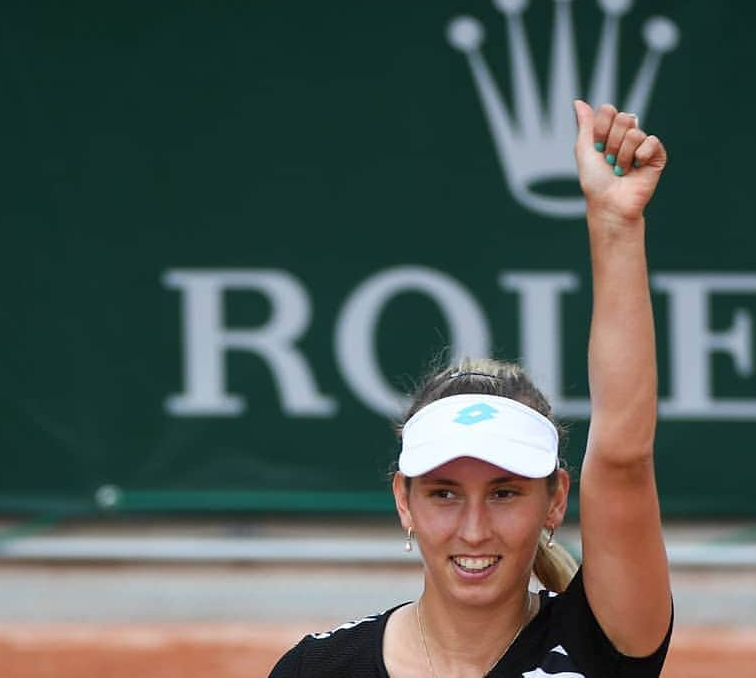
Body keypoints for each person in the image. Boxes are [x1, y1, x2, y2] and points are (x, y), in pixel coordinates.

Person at [269, 101, 673, 677]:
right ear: (403, 500)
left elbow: (624, 458)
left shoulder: (598, 641)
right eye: (444, 493)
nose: (475, 529)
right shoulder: (320, 668)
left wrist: (615, 224)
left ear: (556, 498)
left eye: (505, 493)